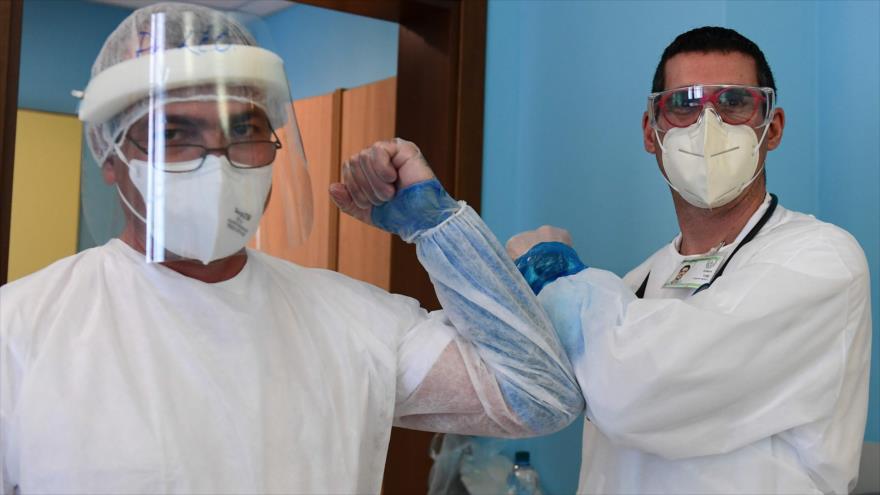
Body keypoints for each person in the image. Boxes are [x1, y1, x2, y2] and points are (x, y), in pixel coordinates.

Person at [0, 3, 584, 494]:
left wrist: (437, 228)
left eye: (244, 130)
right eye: (174, 134)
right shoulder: (24, 328)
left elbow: (538, 397)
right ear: (110, 155)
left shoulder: (352, 321)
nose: (217, 162)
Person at [507, 27, 871, 493]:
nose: (708, 125)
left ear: (772, 127)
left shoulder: (820, 260)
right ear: (650, 133)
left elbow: (637, 391)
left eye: (735, 102)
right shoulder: (634, 283)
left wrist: (552, 274)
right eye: (684, 105)